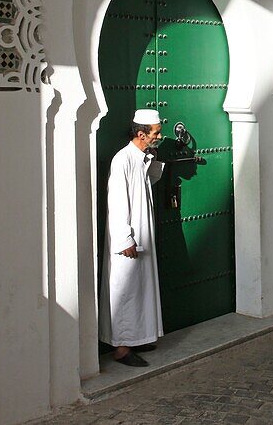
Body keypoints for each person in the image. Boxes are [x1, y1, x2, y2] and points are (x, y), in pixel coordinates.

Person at [99, 109, 165, 366]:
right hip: (128, 236)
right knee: (125, 290)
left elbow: (148, 182)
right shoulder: (123, 160)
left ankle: (138, 337)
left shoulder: (140, 157)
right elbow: (116, 202)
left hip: (142, 232)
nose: (159, 136)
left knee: (141, 287)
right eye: (156, 132)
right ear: (141, 133)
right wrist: (125, 238)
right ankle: (122, 349)